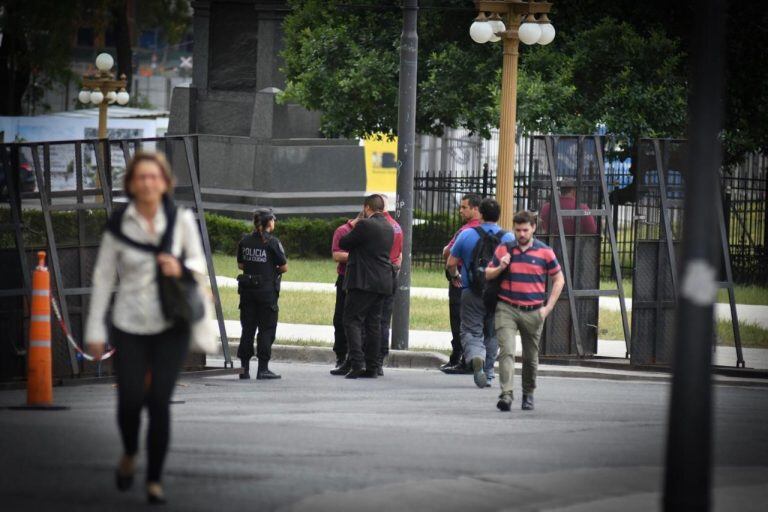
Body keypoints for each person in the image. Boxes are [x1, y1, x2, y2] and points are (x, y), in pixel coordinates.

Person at [85, 151, 206, 504]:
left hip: (171, 324)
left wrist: (179, 267)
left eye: (155, 177)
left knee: (159, 403)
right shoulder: (119, 225)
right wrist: (94, 329)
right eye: (141, 177)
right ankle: (128, 453)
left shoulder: (180, 220)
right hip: (129, 323)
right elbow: (103, 278)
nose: (148, 183)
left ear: (165, 182)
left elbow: (198, 263)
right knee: (129, 401)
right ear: (132, 184)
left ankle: (154, 479)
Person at [485, 210, 565, 412]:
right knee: (507, 352)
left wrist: (547, 309)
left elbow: (559, 279)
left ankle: (528, 393)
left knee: (530, 357)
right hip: (507, 307)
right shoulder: (505, 248)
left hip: (534, 311)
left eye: (525, 230)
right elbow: (488, 273)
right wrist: (501, 267)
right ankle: (506, 394)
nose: (521, 234)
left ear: (533, 229)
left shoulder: (545, 252)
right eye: (518, 230)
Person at [446, 197, 514, 389]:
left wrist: (455, 276)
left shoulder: (467, 235)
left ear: (480, 214)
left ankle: (477, 357)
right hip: (497, 293)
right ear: (499, 215)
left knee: (470, 329)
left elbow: (451, 263)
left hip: (472, 291)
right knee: (491, 331)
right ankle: (490, 372)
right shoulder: (508, 238)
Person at [331, 194, 395, 379]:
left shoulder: (366, 225)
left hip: (363, 281)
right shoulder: (389, 227)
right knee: (373, 323)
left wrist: (356, 225)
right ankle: (373, 366)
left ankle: (357, 363)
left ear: (367, 208)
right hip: (383, 281)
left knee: (351, 320)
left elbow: (344, 243)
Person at [236, 208, 288, 380]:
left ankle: (244, 370)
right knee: (266, 329)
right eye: (273, 220)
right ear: (268, 222)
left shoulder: (244, 240)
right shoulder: (272, 242)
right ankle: (263, 369)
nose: (275, 222)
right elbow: (284, 267)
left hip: (247, 291)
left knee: (247, 329)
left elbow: (241, 265)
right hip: (266, 293)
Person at [441, 193, 481, 373]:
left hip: (462, 282)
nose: (460, 211)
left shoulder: (465, 232)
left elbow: (447, 253)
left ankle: (461, 358)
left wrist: (454, 275)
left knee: (459, 321)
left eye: (464, 207)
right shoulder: (493, 231)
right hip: (483, 284)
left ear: (476, 209)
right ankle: (478, 359)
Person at [330, 213, 364, 368]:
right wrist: (359, 256)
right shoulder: (342, 231)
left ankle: (356, 355)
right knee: (340, 318)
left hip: (363, 280)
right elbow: (337, 254)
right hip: (345, 278)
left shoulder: (368, 231)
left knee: (360, 320)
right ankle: (341, 355)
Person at [376, 194, 403, 374]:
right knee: (385, 319)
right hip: (392, 273)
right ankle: (380, 357)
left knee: (372, 319)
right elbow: (399, 255)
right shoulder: (397, 226)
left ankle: (372, 358)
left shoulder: (378, 226)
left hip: (377, 274)